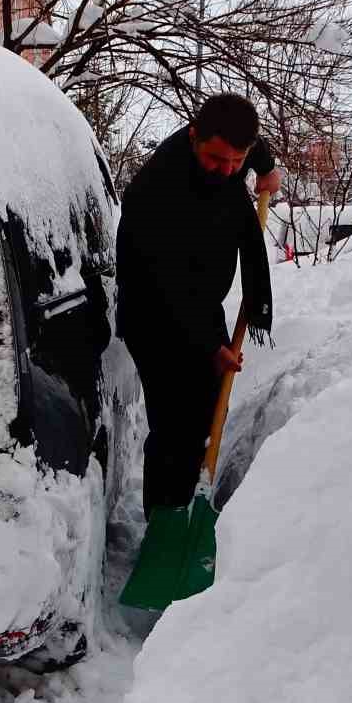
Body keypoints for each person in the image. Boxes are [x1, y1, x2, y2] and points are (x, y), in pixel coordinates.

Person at [115, 92, 283, 517]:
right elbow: (167, 287)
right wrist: (211, 347)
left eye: (235, 162)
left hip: (199, 301)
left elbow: (254, 150)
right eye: (216, 160)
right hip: (153, 313)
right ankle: (164, 521)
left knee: (205, 406)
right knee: (175, 424)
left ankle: (188, 497)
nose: (227, 171)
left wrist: (265, 168)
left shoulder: (229, 151)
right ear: (193, 136)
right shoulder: (155, 192)